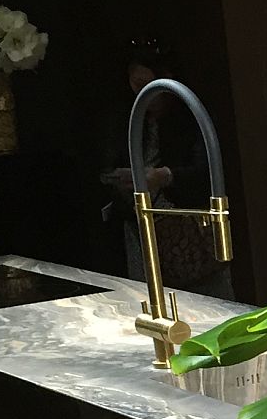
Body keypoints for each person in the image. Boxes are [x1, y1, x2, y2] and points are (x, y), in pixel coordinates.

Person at [97, 38, 233, 300]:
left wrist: (164, 176)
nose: (141, 94)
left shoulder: (191, 114)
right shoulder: (126, 117)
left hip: (189, 230)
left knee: (207, 301)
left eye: (147, 86)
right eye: (135, 85)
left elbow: (208, 171)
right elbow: (108, 162)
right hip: (141, 230)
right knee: (150, 298)